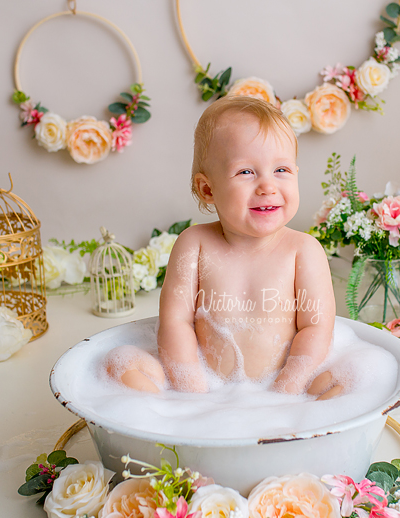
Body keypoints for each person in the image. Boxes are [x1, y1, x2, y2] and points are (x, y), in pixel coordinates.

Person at [105, 95, 342, 399]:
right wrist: (192, 393)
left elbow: (316, 330)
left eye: (281, 170)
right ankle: (169, 423)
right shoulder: (194, 245)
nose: (267, 186)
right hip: (204, 385)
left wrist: (287, 392)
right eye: (246, 172)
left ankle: (306, 426)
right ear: (208, 189)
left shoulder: (303, 251)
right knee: (118, 364)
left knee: (345, 381)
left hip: (286, 387)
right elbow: (176, 323)